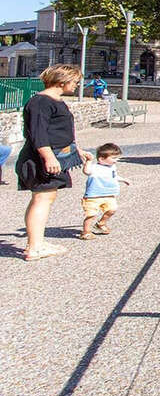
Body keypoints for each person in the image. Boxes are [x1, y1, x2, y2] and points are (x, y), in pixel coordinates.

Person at [16, 64, 93, 261]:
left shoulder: (54, 101)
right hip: (41, 159)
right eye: (75, 82)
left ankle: (37, 242)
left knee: (44, 199)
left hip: (53, 156)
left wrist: (78, 150)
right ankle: (34, 247)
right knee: (41, 199)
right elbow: (38, 132)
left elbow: (59, 132)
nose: (76, 86)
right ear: (62, 81)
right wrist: (48, 157)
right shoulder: (41, 102)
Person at [79, 142, 130, 240]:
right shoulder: (94, 167)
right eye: (114, 158)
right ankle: (85, 232)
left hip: (109, 194)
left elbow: (114, 176)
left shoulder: (112, 167)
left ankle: (101, 223)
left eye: (117, 158)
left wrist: (123, 179)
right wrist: (88, 161)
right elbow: (86, 171)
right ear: (101, 159)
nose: (116, 160)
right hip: (93, 196)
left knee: (112, 209)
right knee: (91, 214)